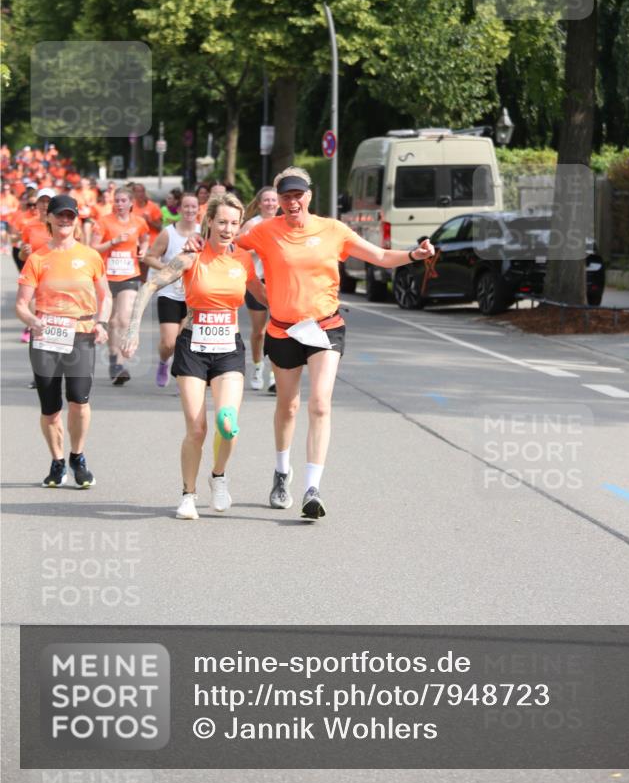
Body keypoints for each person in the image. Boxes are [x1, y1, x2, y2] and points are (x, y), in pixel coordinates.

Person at [234, 166, 435, 520]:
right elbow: (229, 249)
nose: (292, 202)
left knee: (320, 404)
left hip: (325, 327)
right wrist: (256, 288)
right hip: (283, 329)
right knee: (289, 406)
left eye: (298, 195)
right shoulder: (265, 232)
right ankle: (282, 472)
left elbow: (380, 256)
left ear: (309, 196)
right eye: (286, 196)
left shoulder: (333, 230)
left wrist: (413, 255)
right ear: (278, 200)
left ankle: (313, 488)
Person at [121, 194, 266, 520]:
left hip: (228, 348)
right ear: (210, 222)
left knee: (227, 424)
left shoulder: (243, 260)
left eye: (233, 223)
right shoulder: (191, 258)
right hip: (194, 347)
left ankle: (218, 476)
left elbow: (265, 296)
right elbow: (149, 287)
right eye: (222, 222)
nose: (228, 229)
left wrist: (306, 310)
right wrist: (131, 331)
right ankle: (188, 494)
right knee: (197, 429)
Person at [15, 194, 111, 488]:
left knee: (79, 402)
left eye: (70, 216)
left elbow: (104, 296)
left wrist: (102, 323)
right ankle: (57, 462)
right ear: (50, 219)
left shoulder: (90, 256)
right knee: (50, 408)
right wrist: (32, 320)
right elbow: (21, 304)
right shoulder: (39, 257)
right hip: (46, 336)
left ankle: (77, 457)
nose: (65, 220)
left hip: (80, 333)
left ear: (76, 219)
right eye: (60, 216)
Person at [91, 186, 149, 385]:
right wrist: (113, 242)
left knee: (124, 318)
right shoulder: (103, 222)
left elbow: (145, 237)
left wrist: (144, 250)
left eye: (124, 200)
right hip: (107, 276)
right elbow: (93, 249)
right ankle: (114, 360)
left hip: (130, 275)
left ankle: (120, 365)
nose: (120, 204)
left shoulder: (139, 222)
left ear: (131, 203)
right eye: (117, 200)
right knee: (113, 321)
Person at [144, 191, 200, 387]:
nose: (190, 210)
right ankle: (163, 362)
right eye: (186, 206)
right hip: (169, 293)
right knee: (169, 343)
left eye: (194, 206)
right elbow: (149, 257)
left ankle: (184, 379)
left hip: (193, 295)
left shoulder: (204, 232)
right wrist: (168, 269)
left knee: (185, 340)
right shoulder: (169, 232)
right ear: (179, 208)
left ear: (199, 208)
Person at [239, 186, 279, 392]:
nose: (270, 204)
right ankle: (257, 366)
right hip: (256, 282)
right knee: (259, 331)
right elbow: (237, 248)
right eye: (267, 200)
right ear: (260, 203)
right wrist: (258, 248)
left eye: (274, 200)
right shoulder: (251, 224)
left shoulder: (285, 224)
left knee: (279, 329)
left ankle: (274, 375)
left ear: (279, 202)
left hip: (279, 282)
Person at [131, 183, 163, 280]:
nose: (140, 194)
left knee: (145, 265)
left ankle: (144, 285)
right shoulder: (130, 206)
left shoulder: (153, 207)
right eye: (137, 191)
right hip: (135, 240)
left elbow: (159, 227)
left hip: (151, 242)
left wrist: (150, 221)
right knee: (136, 266)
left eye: (142, 191)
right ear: (133, 193)